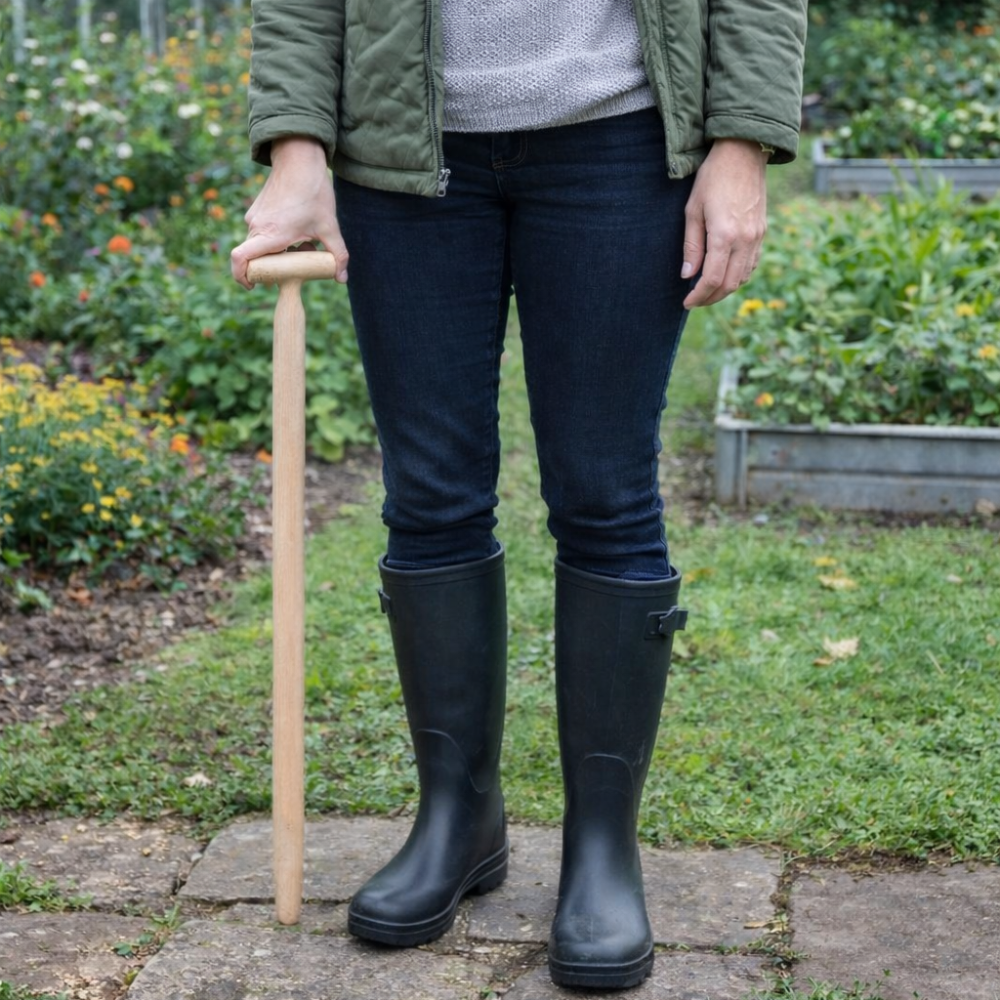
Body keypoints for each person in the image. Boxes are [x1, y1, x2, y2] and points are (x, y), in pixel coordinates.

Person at [232, 0, 807, 989]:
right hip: (403, 149)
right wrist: (294, 144)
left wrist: (742, 139)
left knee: (606, 496)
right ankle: (457, 821)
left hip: (617, 137)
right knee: (430, 497)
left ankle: (601, 849)